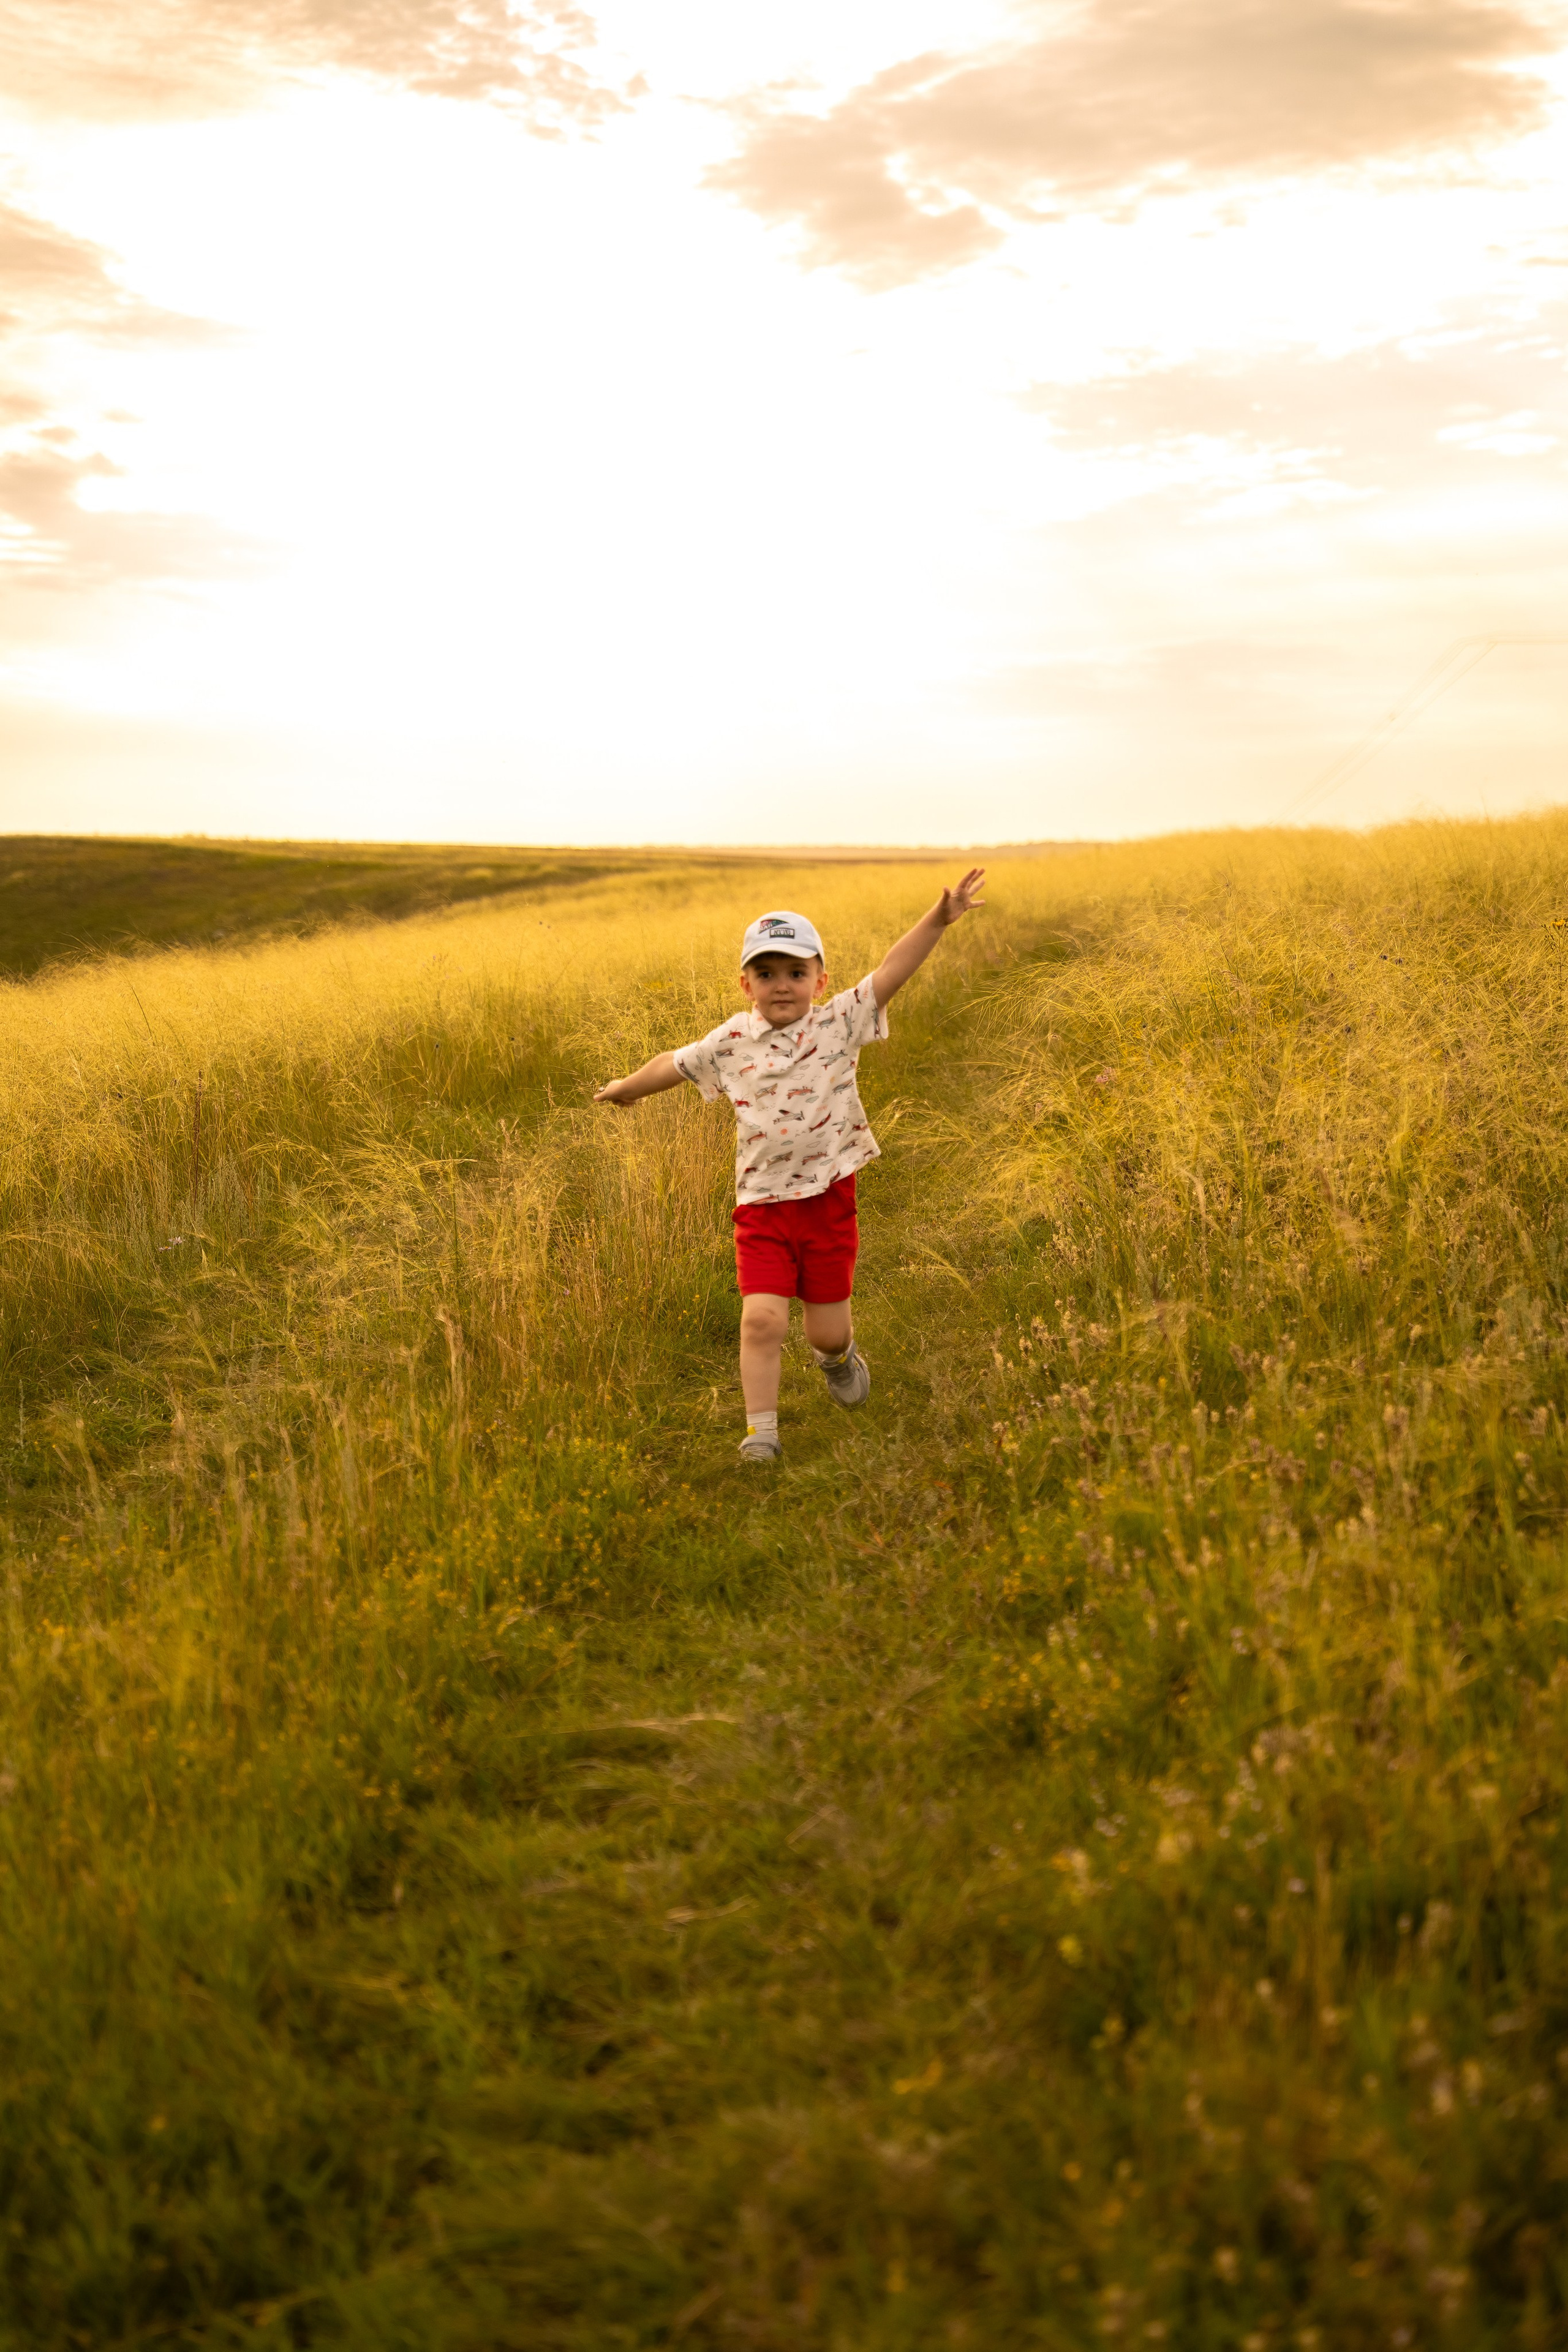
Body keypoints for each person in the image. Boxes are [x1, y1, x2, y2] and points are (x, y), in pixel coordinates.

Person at [594, 871, 986, 1461]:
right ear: (746, 983)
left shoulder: (838, 1023)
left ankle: (838, 1358)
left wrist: (939, 919)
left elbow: (892, 971)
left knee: (824, 1331)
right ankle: (762, 1435)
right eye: (768, 973)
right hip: (763, 1208)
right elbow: (672, 1064)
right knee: (762, 1322)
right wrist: (626, 1088)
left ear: (819, 980)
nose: (783, 985)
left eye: (797, 973)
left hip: (828, 1201)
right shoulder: (730, 1042)